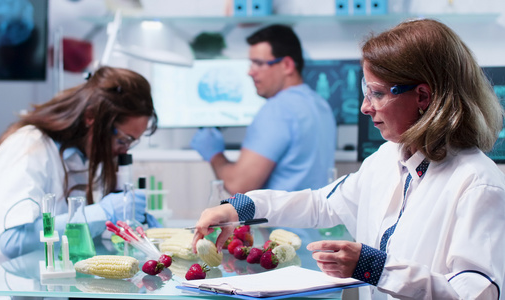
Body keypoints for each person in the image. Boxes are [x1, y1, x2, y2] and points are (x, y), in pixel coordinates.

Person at [192, 19, 505, 299]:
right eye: (365, 92)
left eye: (377, 94)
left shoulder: (477, 183)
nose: (365, 108)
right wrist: (238, 208)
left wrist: (375, 267)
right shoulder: (386, 159)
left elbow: (477, 293)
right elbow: (322, 203)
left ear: (423, 97)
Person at [0, 66, 160, 272]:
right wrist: (104, 213)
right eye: (123, 139)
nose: (123, 150)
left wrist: (122, 224)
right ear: (91, 117)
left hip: (41, 281)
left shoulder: (80, 158)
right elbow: (14, 241)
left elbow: (67, 235)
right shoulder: (28, 146)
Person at [190, 24, 336, 194]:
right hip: (317, 220)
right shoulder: (320, 105)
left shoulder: (278, 110)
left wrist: (214, 154)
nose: (250, 72)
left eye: (258, 63)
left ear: (287, 65)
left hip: (283, 221)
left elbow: (238, 185)